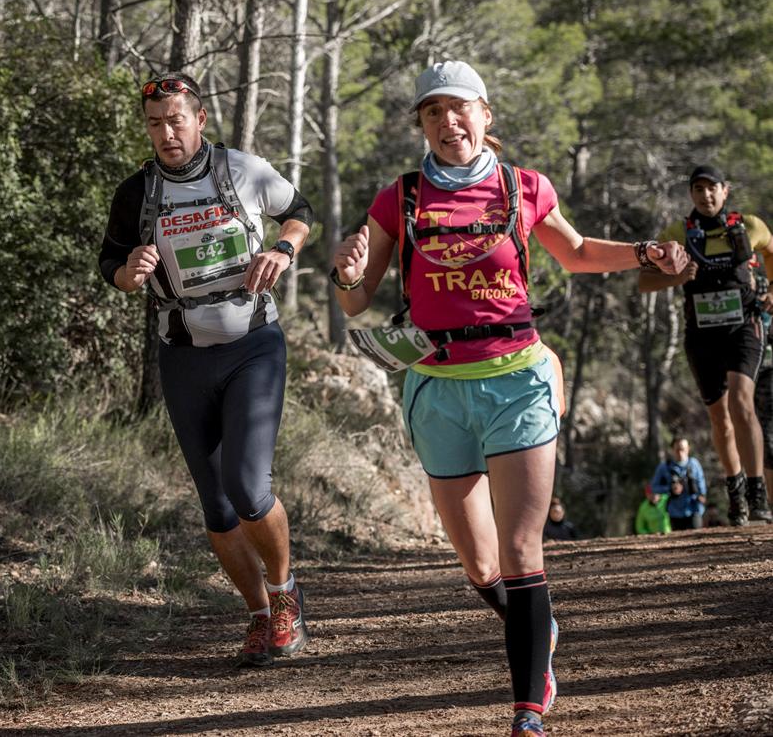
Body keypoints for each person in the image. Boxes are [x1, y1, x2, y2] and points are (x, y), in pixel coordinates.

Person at [331, 60, 688, 737]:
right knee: (479, 562)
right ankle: (538, 628)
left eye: (458, 109)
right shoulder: (399, 199)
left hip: (516, 379)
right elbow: (358, 299)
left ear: (486, 115)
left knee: (524, 551)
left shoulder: (523, 187)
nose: (447, 123)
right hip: (436, 390)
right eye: (432, 113)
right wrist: (345, 274)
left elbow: (577, 254)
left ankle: (527, 710)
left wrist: (644, 253)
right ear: (422, 125)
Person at [99, 72, 314, 667]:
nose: (166, 134)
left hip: (252, 344)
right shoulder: (137, 193)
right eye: (154, 124)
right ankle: (258, 614)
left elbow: (299, 212)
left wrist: (283, 248)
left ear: (199, 120)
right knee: (217, 507)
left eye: (176, 120)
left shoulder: (243, 169)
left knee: (248, 488)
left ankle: (285, 591)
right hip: (183, 353)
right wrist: (129, 272)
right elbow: (109, 261)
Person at [639, 165, 773, 526]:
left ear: (725, 191)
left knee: (743, 401)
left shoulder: (750, 226)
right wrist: (679, 275)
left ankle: (757, 491)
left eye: (712, 189)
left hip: (744, 328)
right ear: (691, 195)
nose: (705, 196)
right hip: (702, 334)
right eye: (698, 189)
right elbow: (643, 281)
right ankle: (736, 491)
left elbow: (771, 251)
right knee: (720, 417)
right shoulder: (678, 233)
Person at [650, 437, 706, 530]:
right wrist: (670, 488)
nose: (680, 453)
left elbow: (701, 483)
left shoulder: (694, 464)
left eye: (683, 449)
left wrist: (701, 495)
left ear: (688, 449)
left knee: (696, 538)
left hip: (694, 508)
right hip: (675, 512)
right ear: (672, 450)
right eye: (677, 450)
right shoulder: (664, 467)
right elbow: (654, 487)